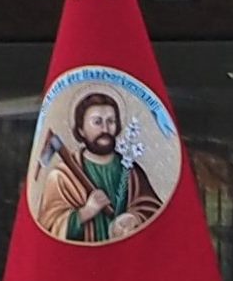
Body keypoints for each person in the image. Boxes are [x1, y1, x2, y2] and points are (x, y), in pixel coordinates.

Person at [36, 91, 164, 241]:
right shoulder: (61, 177)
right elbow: (48, 228)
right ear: (81, 130)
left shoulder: (130, 171)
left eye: (111, 121)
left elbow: (154, 210)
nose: (105, 129)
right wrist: (85, 212)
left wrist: (135, 219)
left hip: (128, 259)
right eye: (97, 122)